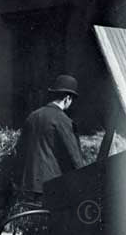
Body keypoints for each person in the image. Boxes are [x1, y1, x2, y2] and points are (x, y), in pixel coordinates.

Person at [16, 74, 85, 207]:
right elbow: (74, 157)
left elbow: (20, 150)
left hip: (29, 184)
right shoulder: (63, 120)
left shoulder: (32, 116)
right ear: (67, 98)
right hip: (51, 185)